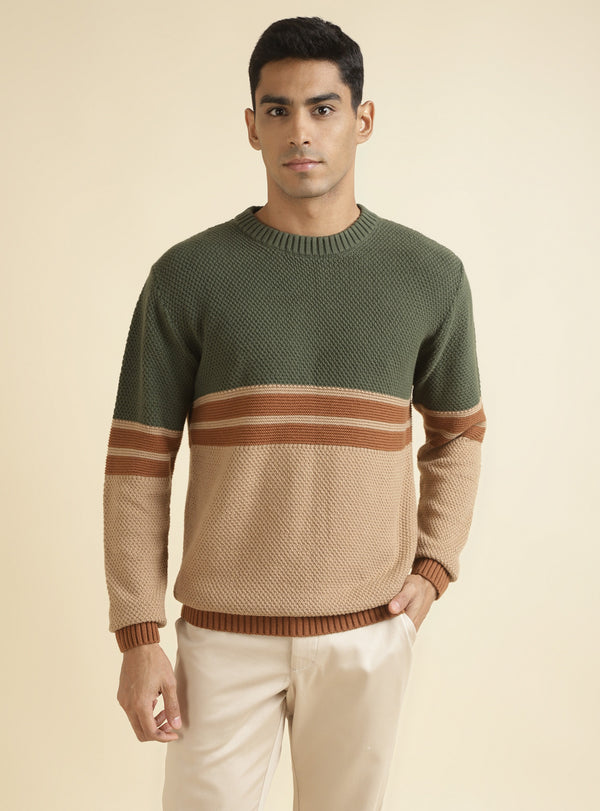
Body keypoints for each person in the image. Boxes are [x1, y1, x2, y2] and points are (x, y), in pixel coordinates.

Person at [103, 16, 486, 811]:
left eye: (323, 108)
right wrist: (139, 635)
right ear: (252, 126)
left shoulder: (429, 276)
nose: (300, 131)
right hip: (221, 636)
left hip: (367, 631)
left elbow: (458, 433)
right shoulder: (187, 277)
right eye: (277, 110)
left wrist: (434, 567)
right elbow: (139, 463)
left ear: (362, 119)